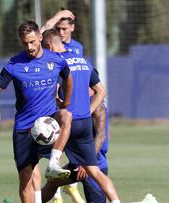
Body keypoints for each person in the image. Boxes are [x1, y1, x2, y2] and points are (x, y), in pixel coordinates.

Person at [0, 21, 74, 203]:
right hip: (25, 129)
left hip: (49, 124)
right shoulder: (14, 64)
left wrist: (65, 101)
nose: (30, 47)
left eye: (33, 42)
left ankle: (53, 164)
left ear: (40, 38)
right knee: (25, 178)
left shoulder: (56, 60)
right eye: (25, 43)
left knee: (66, 115)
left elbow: (68, 77)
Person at [40, 29, 121, 203]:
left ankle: (43, 179)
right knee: (91, 173)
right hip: (83, 124)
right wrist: (87, 111)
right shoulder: (83, 60)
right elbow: (101, 91)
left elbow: (52, 91)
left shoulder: (56, 62)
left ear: (48, 46)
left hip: (67, 124)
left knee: (31, 157)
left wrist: (58, 102)